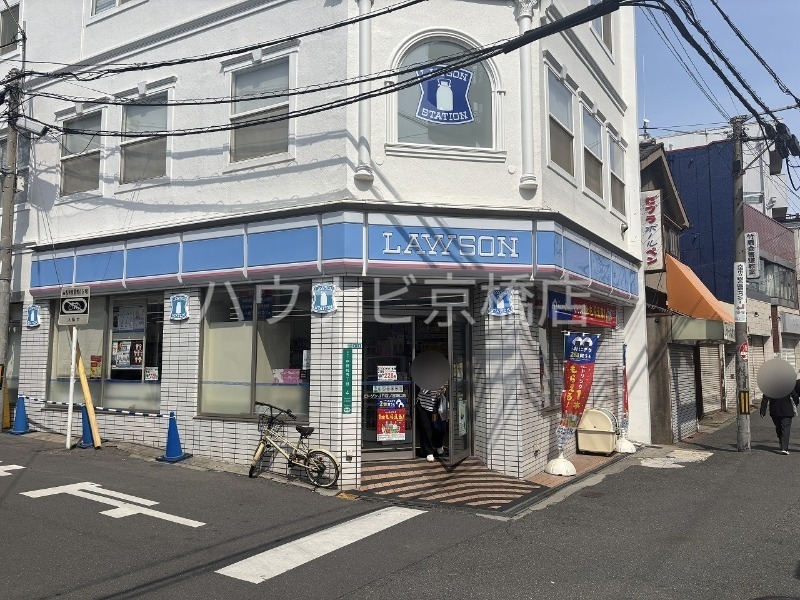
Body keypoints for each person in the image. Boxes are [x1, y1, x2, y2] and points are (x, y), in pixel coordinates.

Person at [760, 387, 800, 454]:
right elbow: (795, 396)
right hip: (787, 410)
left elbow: (765, 398)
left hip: (775, 410)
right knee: (784, 428)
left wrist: (763, 411)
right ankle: (784, 446)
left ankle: (784, 446)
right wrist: (795, 404)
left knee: (779, 427)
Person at [416, 383, 448, 462]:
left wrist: (443, 388)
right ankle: (429, 452)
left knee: (438, 426)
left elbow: (443, 391)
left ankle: (438, 444)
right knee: (426, 429)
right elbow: (424, 390)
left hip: (436, 406)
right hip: (423, 405)